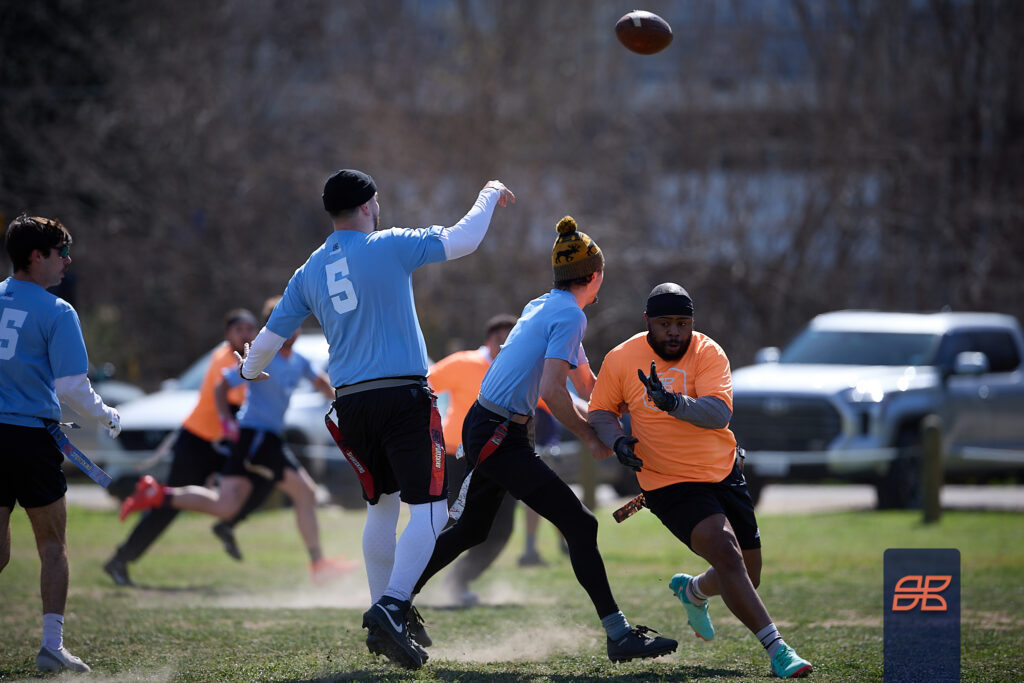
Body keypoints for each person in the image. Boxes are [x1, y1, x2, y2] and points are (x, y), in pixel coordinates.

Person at [234, 169, 515, 670]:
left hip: (351, 406)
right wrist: (490, 192)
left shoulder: (308, 269)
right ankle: (392, 606)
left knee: (382, 509)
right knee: (431, 511)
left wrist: (249, 370)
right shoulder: (388, 244)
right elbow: (465, 239)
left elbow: (265, 346)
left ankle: (388, 614)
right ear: (368, 205)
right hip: (402, 398)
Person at [408, 216, 678, 664]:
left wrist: (638, 415)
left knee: (473, 529)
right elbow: (554, 391)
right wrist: (591, 437)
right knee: (581, 524)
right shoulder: (570, 315)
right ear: (595, 275)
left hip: (493, 427)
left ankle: (395, 602)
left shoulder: (547, 305)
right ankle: (618, 635)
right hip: (499, 433)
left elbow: (589, 387)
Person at [587, 283, 813, 678]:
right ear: (647, 322)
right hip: (667, 482)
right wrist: (618, 441)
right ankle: (779, 650)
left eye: (682, 323)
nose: (674, 332)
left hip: (723, 471)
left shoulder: (709, 352)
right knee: (727, 553)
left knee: (747, 574)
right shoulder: (621, 358)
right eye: (665, 324)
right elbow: (601, 411)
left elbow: (718, 413)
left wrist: (672, 402)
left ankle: (692, 590)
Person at [119, 297, 357, 583]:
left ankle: (159, 494)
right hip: (257, 436)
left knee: (225, 506)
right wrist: (226, 421)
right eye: (288, 323)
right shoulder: (263, 354)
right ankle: (318, 564)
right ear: (276, 325)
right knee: (305, 492)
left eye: (296, 324)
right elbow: (222, 385)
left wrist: (347, 401)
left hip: (260, 439)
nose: (293, 330)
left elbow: (320, 383)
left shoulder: (299, 360)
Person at [0, 214, 122, 673]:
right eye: (61, 253)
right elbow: (72, 388)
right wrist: (107, 415)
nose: (67, 261)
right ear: (37, 257)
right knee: (52, 546)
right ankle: (52, 646)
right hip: (31, 439)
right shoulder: (58, 310)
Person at [103, 307, 261, 586]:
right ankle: (120, 559)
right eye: (240, 330)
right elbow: (236, 405)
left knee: (255, 480)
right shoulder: (224, 359)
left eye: (250, 329)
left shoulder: (251, 360)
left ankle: (226, 525)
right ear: (228, 334)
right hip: (197, 443)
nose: (246, 335)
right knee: (168, 505)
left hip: (218, 445)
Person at [428, 313, 518, 607]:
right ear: (489, 339)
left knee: (501, 529)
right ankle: (408, 578)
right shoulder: (463, 363)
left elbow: (551, 399)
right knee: (450, 520)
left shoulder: (520, 369)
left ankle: (457, 582)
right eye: (501, 339)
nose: (505, 345)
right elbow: (424, 386)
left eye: (512, 339)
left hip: (502, 459)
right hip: (458, 456)